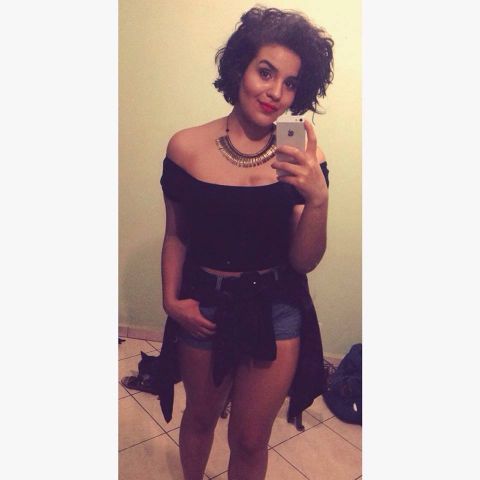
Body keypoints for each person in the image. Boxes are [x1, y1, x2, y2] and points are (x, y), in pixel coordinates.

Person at [158, 7, 334, 480]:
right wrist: (171, 300)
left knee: (252, 439)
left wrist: (317, 198)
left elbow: (304, 260)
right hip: (204, 303)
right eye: (266, 72)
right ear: (240, 68)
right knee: (200, 418)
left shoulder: (302, 159)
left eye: (291, 83)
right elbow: (177, 234)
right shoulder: (185, 147)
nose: (276, 92)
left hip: (276, 307)